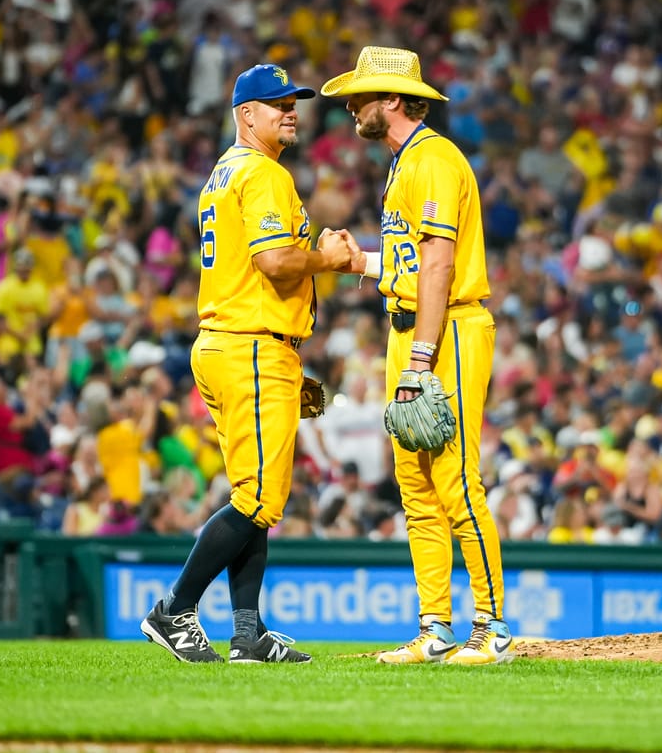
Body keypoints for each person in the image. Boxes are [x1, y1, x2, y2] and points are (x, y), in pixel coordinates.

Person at [140, 63, 350, 664]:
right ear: (244, 115)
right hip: (249, 345)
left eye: (293, 102)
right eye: (276, 103)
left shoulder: (224, 172)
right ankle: (174, 609)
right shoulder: (261, 172)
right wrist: (328, 258)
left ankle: (247, 633)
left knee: (253, 494)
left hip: (234, 343)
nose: (290, 111)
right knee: (258, 498)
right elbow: (277, 262)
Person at [320, 45, 513, 665]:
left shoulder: (431, 160)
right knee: (416, 485)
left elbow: (439, 266)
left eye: (362, 97)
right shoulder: (406, 163)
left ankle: (492, 629)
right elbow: (409, 264)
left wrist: (421, 359)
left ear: (394, 101)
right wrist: (363, 263)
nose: (351, 107)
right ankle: (435, 629)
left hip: (447, 331)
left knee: (456, 479)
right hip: (414, 327)